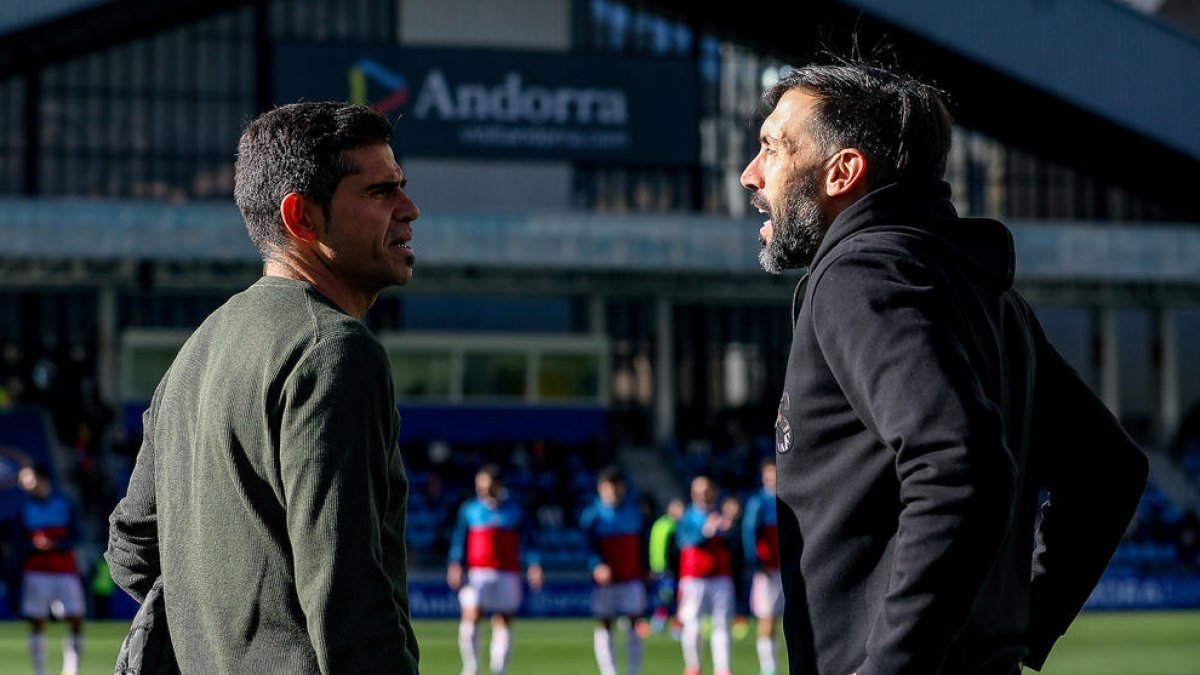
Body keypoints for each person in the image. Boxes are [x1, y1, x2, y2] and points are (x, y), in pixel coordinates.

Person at [740, 58, 1149, 675]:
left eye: (773, 148)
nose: (751, 174)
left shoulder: (858, 275)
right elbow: (1108, 468)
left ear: (842, 172)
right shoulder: (987, 295)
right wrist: (1020, 628)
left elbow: (960, 465)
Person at [105, 101, 421, 673]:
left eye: (400, 186)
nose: (409, 209)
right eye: (380, 191)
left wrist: (226, 628)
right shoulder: (331, 349)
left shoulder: (197, 349)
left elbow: (131, 550)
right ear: (302, 218)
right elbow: (350, 610)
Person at [448, 464, 544, 675]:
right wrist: (455, 563)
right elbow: (459, 539)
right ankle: (472, 668)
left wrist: (534, 565)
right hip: (477, 573)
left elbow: (530, 541)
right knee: (471, 616)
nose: (482, 489)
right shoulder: (470, 509)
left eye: (487, 485)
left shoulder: (515, 510)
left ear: (498, 485)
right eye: (479, 485)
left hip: (507, 573)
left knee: (503, 620)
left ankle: (499, 671)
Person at [16, 465, 85, 675]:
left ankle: (71, 671)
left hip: (65, 571)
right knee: (37, 621)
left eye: (27, 479)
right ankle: (40, 672)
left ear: (42, 480)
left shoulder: (64, 504)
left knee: (76, 618)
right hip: (36, 573)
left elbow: (77, 535)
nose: (23, 484)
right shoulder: (24, 509)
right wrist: (33, 546)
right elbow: (17, 541)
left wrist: (57, 545)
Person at [579, 466, 648, 675]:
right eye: (609, 487)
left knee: (634, 624)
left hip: (631, 578)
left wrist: (646, 568)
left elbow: (643, 544)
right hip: (605, 582)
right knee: (605, 624)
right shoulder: (592, 515)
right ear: (601, 488)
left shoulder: (635, 513)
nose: (613, 492)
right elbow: (586, 547)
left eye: (616, 487)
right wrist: (596, 565)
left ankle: (633, 671)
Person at [675, 475, 737, 675]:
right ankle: (693, 666)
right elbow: (684, 541)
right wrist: (707, 531)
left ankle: (723, 668)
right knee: (692, 625)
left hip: (720, 576)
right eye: (699, 492)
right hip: (693, 577)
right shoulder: (687, 517)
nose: (703, 496)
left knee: (722, 624)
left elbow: (734, 544)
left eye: (707, 491)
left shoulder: (721, 515)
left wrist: (729, 527)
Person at [742, 459, 782, 675]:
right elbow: (749, 535)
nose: (772, 479)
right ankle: (768, 669)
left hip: (791, 569)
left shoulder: (789, 496)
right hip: (769, 570)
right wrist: (757, 562)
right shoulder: (758, 502)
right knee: (768, 617)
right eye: (768, 475)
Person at [647, 496, 685, 635]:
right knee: (670, 597)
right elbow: (671, 550)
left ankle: (663, 623)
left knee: (668, 597)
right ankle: (667, 625)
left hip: (659, 567)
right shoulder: (672, 526)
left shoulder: (659, 523)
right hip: (668, 568)